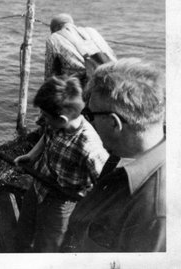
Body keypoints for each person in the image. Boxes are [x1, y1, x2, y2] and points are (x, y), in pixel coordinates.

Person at [61, 58, 166, 252]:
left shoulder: (156, 215)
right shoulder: (120, 155)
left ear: (113, 123)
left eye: (90, 115)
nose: (87, 123)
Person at [13, 75, 109, 252]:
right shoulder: (54, 122)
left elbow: (104, 186)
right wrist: (32, 155)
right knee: (23, 230)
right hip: (38, 185)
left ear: (63, 120)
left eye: (45, 116)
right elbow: (47, 133)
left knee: (49, 244)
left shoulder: (89, 147)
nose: (42, 119)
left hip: (61, 201)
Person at [44, 13, 116, 87]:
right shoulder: (92, 31)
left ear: (56, 28)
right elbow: (111, 53)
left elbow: (49, 71)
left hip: (85, 81)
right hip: (113, 71)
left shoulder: (54, 37)